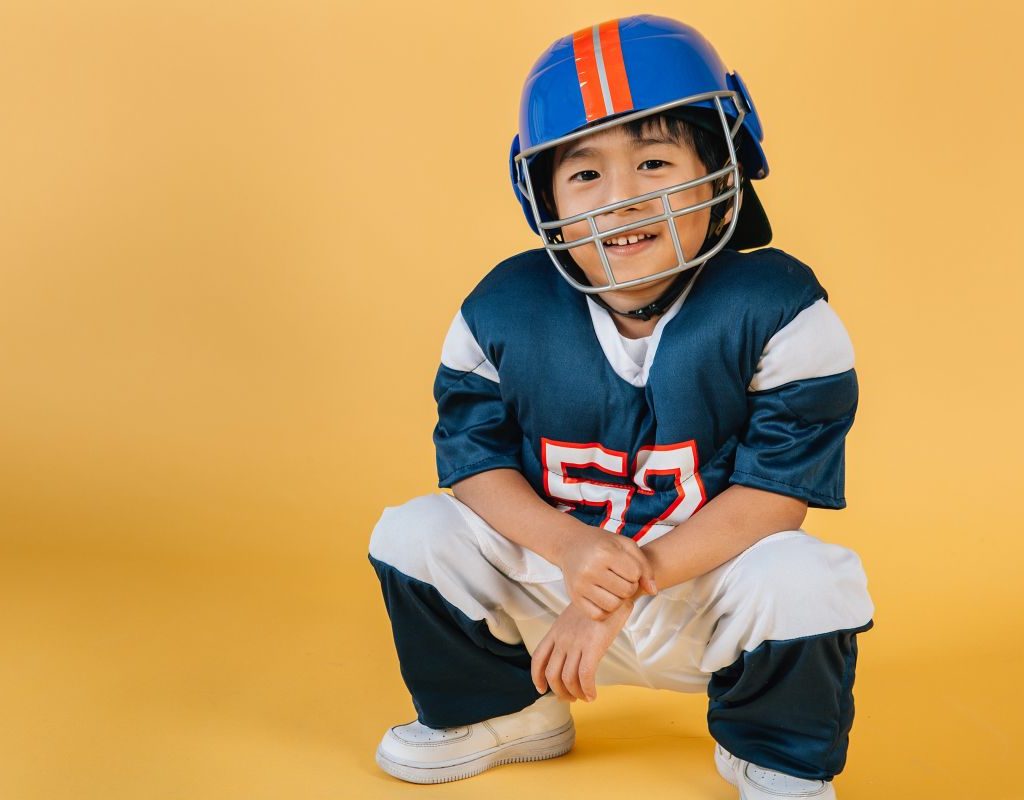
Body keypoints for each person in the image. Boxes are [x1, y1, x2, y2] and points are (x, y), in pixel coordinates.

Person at [367, 14, 875, 799]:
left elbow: (777, 495)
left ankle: (772, 755)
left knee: (809, 577)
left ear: (723, 166)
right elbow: (473, 462)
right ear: (543, 197)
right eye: (585, 175)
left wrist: (627, 583)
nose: (623, 199)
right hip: (550, 588)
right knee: (413, 531)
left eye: (655, 160)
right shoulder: (502, 307)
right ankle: (502, 711)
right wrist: (574, 554)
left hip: (698, 591)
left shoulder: (780, 308)